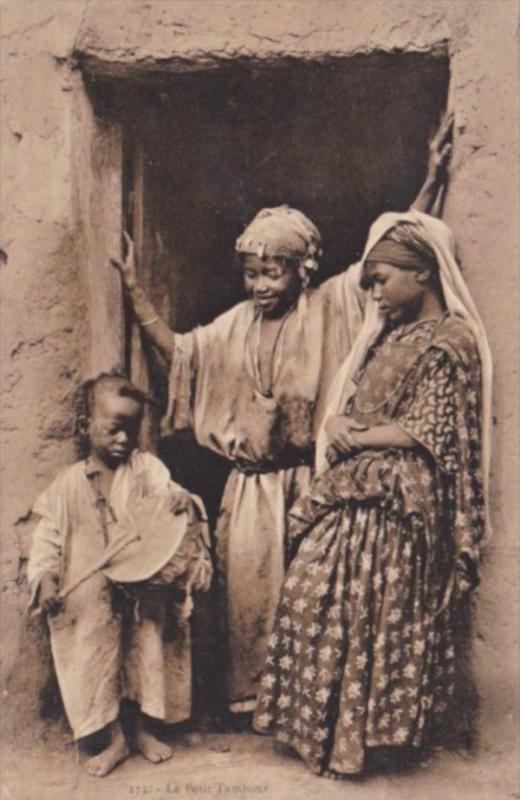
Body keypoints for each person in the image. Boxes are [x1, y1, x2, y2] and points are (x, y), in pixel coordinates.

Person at [111, 116, 453, 715]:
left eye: (274, 272)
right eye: (251, 272)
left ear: (304, 270)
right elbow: (183, 354)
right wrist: (136, 295)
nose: (260, 284)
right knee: (247, 608)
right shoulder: (234, 326)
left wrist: (430, 180)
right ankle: (252, 711)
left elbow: (388, 253)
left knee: (313, 602)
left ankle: (304, 713)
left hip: (310, 484)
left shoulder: (331, 307)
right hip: (248, 496)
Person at [253, 209, 492, 777]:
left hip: (397, 497)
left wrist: (347, 432)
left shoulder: (450, 340)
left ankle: (353, 748)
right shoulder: (389, 335)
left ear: (424, 273)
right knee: (312, 595)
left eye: (381, 279)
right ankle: (323, 733)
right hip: (357, 484)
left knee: (365, 613)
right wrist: (340, 427)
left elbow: (427, 431)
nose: (373, 294)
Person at [27, 372, 212, 777]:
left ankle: (145, 728)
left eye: (132, 430)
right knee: (93, 659)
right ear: (84, 427)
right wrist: (46, 581)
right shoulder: (67, 486)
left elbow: (170, 496)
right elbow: (47, 541)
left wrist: (180, 498)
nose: (124, 440)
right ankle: (113, 739)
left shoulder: (146, 469)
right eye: (114, 429)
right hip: (91, 596)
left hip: (142, 591)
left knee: (147, 652)